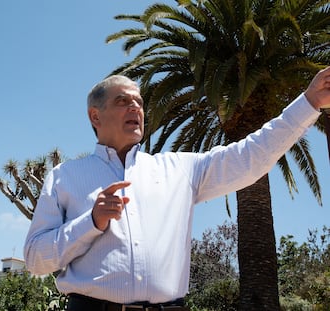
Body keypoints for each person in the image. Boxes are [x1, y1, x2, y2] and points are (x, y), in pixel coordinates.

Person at [24, 67, 330, 311]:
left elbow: (251, 155)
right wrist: (91, 223)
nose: (136, 107)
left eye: (139, 102)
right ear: (95, 116)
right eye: (123, 101)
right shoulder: (64, 177)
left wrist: (309, 103)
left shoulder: (180, 169)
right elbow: (36, 260)